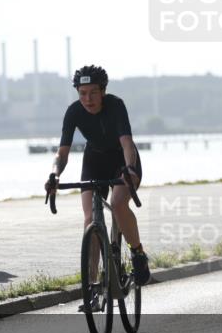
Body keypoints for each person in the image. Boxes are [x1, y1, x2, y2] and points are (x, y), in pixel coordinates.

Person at [44, 65, 150, 298]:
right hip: (94, 159)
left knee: (119, 204)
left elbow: (127, 143)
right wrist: (54, 174)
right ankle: (92, 285)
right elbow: (62, 154)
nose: (88, 99)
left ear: (103, 91)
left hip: (122, 160)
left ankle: (138, 253)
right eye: (82, 93)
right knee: (90, 218)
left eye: (93, 92)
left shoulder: (116, 105)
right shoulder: (73, 112)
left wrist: (130, 168)